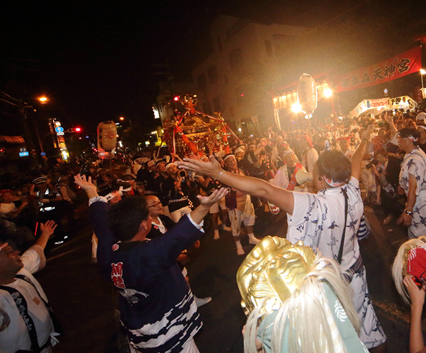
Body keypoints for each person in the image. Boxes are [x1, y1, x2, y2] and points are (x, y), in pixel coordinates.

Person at [181, 125, 387, 352]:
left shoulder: (313, 204)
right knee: (368, 331)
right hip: (356, 276)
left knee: (329, 339)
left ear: (321, 177)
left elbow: (264, 190)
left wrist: (217, 173)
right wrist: (364, 139)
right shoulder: (353, 191)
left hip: (326, 287)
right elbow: (356, 162)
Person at [75, 174, 228, 353]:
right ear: (143, 225)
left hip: (139, 333)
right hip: (168, 335)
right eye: (147, 216)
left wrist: (92, 192)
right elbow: (178, 235)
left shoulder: (109, 249)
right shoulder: (147, 255)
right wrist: (204, 206)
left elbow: (100, 219)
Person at [0, 221, 59, 353]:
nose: (17, 252)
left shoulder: (20, 274)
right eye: (8, 253)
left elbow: (33, 253)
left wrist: (45, 234)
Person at [396, 128, 426, 238]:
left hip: (420, 203)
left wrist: (408, 211)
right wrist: (403, 185)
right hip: (419, 200)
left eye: (400, 139)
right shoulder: (412, 153)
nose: (398, 141)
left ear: (408, 140)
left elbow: (413, 189)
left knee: (423, 239)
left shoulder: (415, 160)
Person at [221, 155, 260, 255]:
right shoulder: (225, 175)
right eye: (230, 161)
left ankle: (251, 237)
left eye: (233, 159)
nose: (233, 162)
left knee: (249, 218)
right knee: (236, 224)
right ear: (225, 164)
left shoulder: (241, 170)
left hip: (246, 198)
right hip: (234, 202)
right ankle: (238, 244)